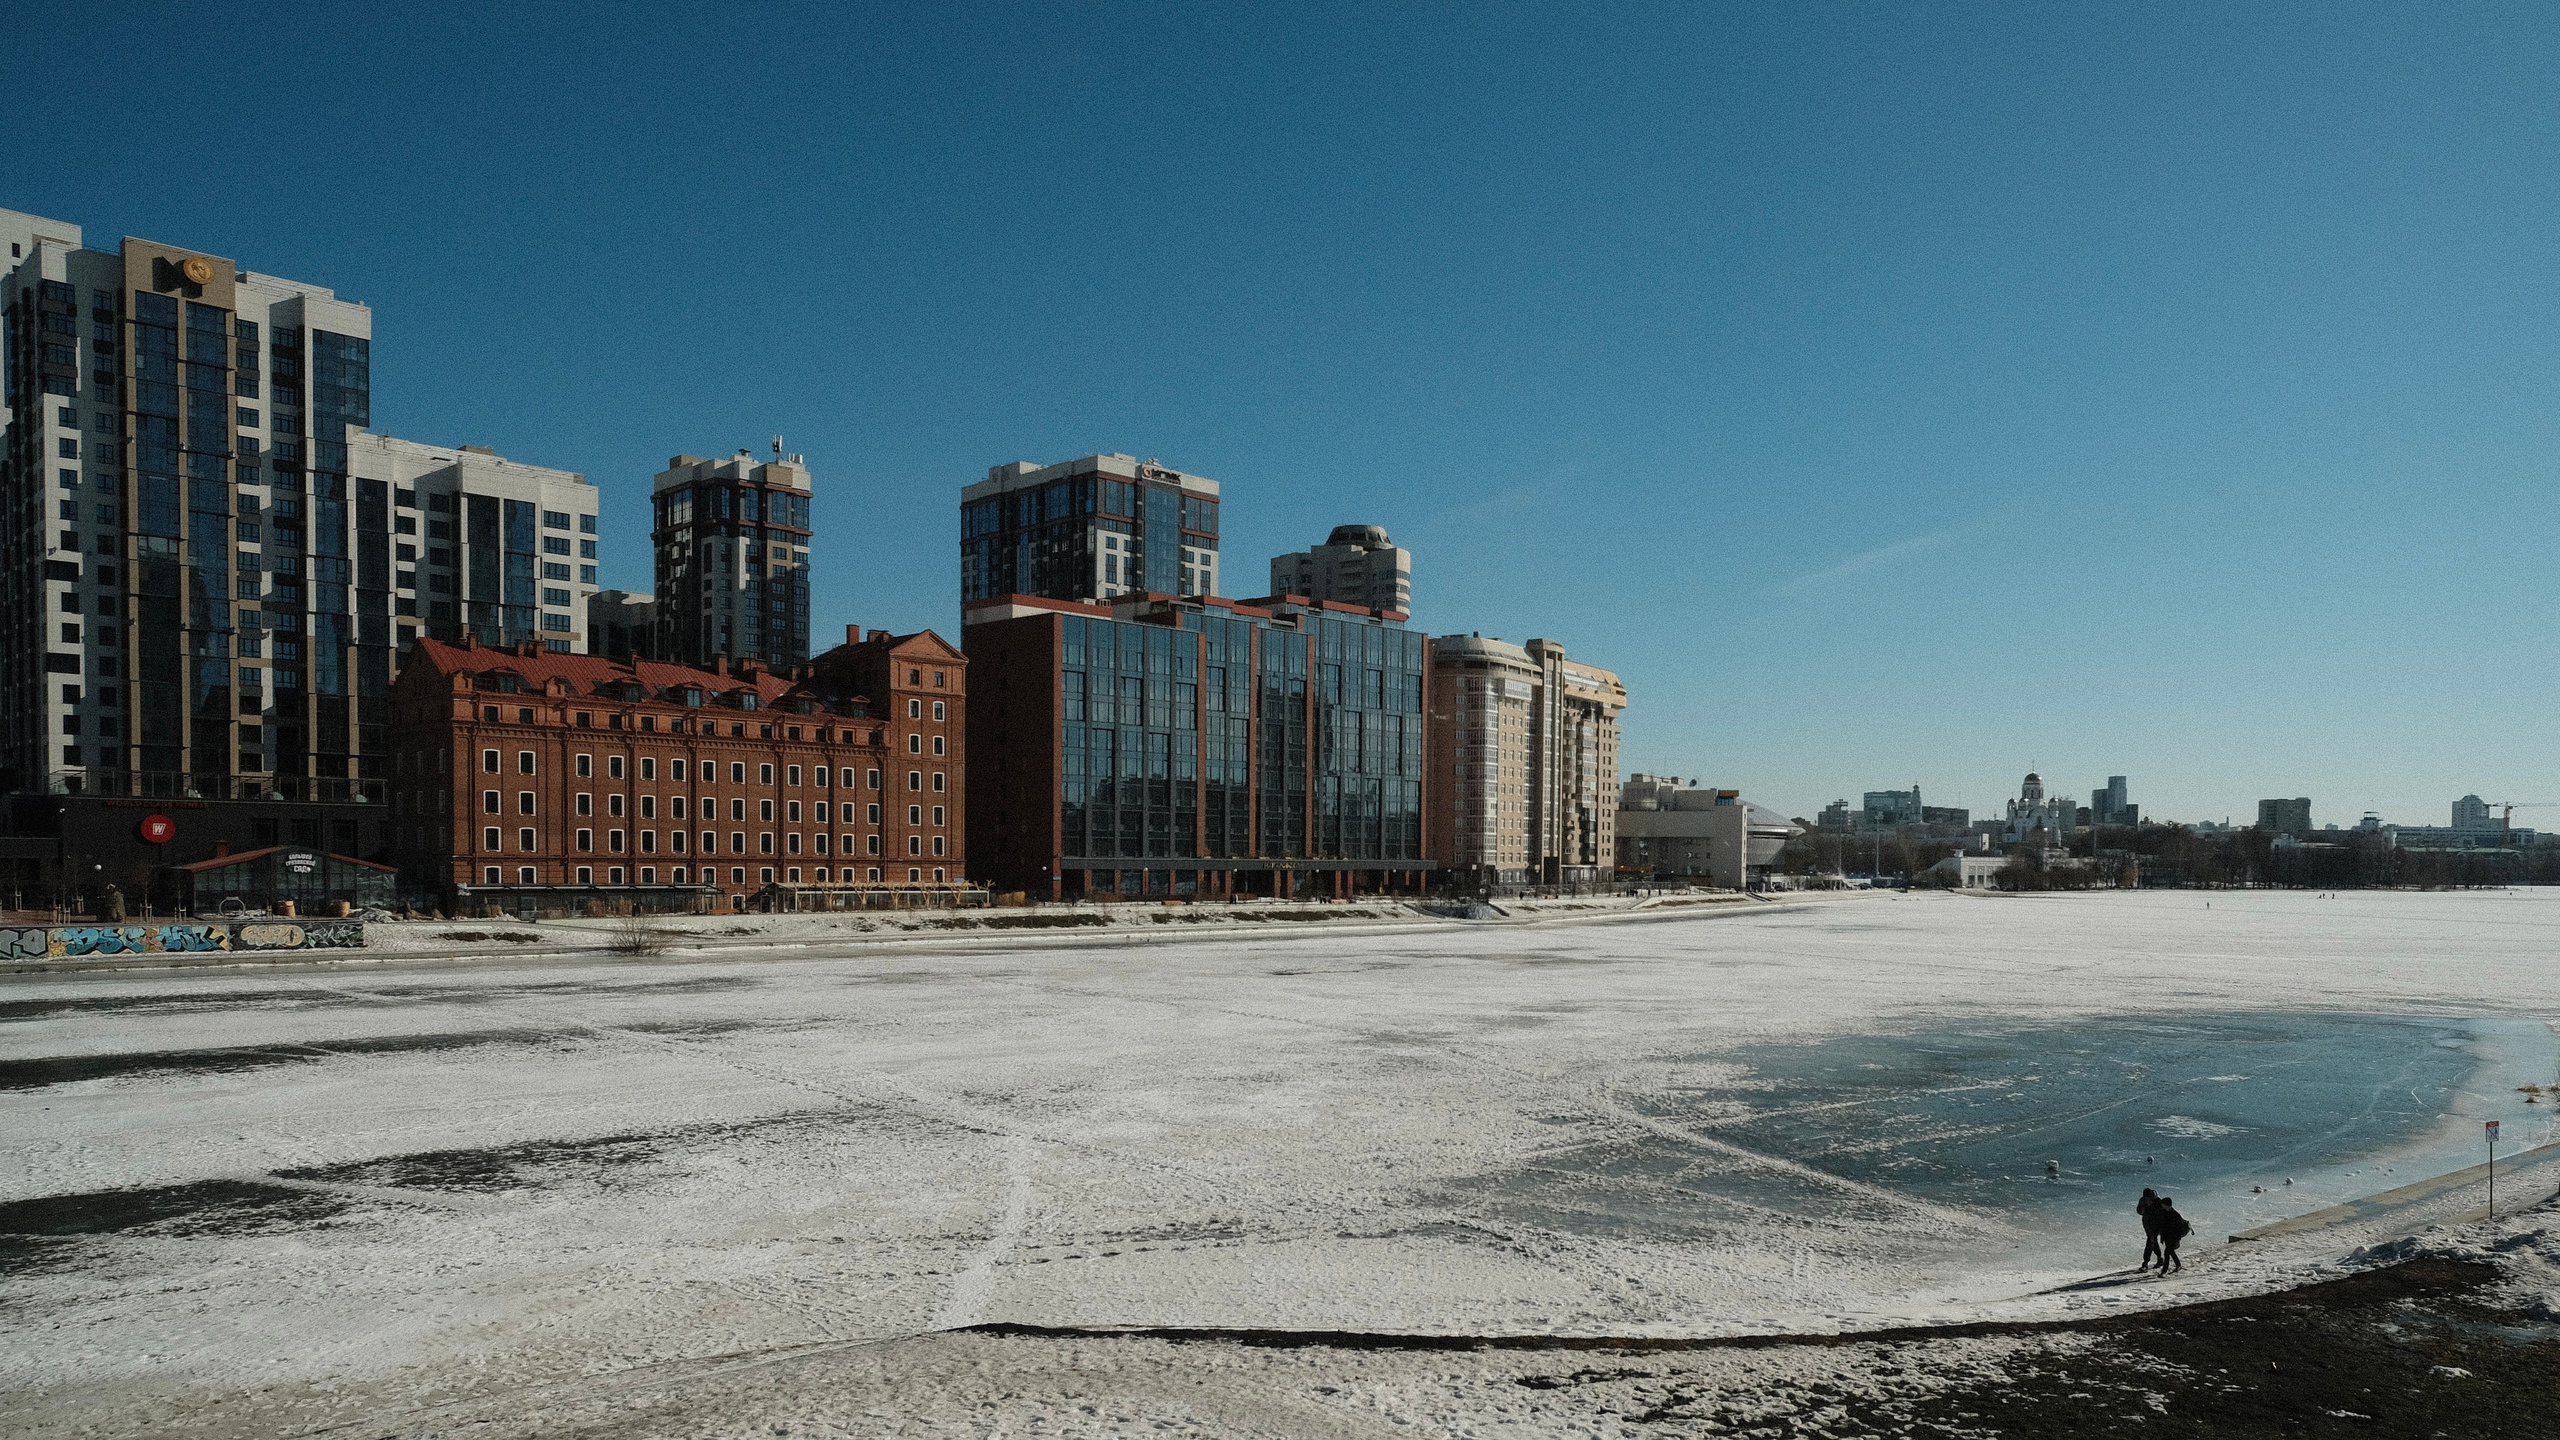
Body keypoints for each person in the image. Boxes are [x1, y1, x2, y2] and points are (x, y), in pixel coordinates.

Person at [2156, 1196, 2192, 1273]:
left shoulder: (2175, 1215)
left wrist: (2177, 1239)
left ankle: (2164, 1271)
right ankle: (2178, 1265)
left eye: (2163, 1204)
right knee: (2171, 1251)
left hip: (2173, 1238)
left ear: (2167, 1205)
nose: (2161, 1205)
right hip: (2167, 1237)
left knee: (2167, 1252)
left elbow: (2178, 1229)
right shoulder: (2164, 1212)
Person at [2136, 1188, 2165, 1270]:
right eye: (2147, 1198)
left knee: (2150, 1242)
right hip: (2147, 1224)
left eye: (2149, 1198)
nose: (2148, 1200)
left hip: (2157, 1225)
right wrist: (2142, 1209)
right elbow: (2139, 1211)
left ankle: (2145, 1263)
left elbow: (2165, 1212)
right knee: (2153, 1241)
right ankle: (2160, 1259)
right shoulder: (2142, 1200)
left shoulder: (2159, 1201)